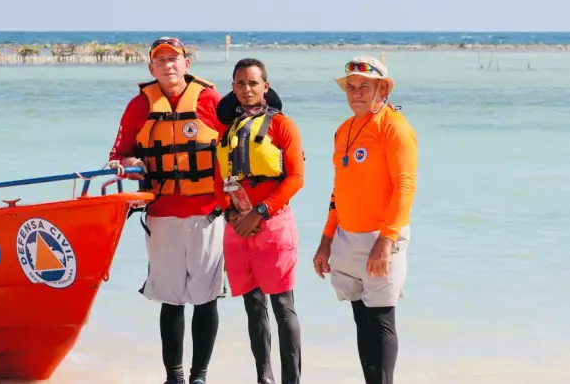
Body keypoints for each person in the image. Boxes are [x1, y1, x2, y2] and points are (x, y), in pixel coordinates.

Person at [107, 37, 227, 384]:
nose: (167, 65)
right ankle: (174, 376)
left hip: (207, 213)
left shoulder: (210, 100)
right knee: (171, 300)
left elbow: (234, 150)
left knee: (206, 297)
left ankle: (199, 376)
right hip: (161, 215)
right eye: (160, 61)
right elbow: (118, 155)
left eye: (173, 59)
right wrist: (129, 165)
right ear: (151, 68)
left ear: (187, 64)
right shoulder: (139, 105)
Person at [312, 56, 418, 384]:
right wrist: (326, 240)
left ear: (382, 90)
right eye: (351, 87)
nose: (356, 93)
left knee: (381, 321)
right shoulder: (344, 130)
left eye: (364, 87)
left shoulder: (395, 127)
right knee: (361, 320)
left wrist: (386, 241)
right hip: (347, 237)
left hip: (382, 238)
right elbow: (339, 190)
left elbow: (405, 187)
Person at [213, 58, 305, 384]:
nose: (247, 89)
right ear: (233, 88)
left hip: (273, 224)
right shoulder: (225, 132)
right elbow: (219, 181)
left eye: (253, 83)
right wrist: (230, 214)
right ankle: (263, 378)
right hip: (237, 228)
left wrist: (259, 212)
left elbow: (296, 178)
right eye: (240, 83)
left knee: (283, 307)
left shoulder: (282, 125)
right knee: (253, 308)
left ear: (265, 86)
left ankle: (291, 380)